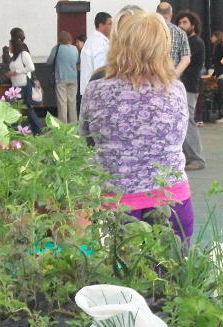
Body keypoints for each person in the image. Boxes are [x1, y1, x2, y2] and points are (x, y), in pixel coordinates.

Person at [79, 11, 193, 247]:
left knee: (120, 280)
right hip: (171, 199)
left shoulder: (96, 90)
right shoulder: (176, 90)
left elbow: (86, 141)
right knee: (171, 278)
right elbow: (177, 140)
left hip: (116, 202)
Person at [175, 10, 206, 171]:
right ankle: (189, 157)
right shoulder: (188, 41)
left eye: (184, 22)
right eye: (179, 23)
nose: (181, 25)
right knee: (183, 121)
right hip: (184, 86)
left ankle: (197, 158)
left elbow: (184, 61)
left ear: (193, 25)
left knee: (188, 121)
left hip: (188, 87)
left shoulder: (195, 42)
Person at [7, 37, 42, 135]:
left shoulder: (24, 54)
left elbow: (31, 67)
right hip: (15, 86)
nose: (9, 47)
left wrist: (17, 72)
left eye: (10, 45)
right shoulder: (14, 57)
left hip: (24, 84)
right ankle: (19, 128)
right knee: (17, 107)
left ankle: (37, 129)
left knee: (26, 107)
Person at [46, 31, 79, 124]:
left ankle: (63, 125)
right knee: (72, 102)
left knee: (62, 103)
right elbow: (77, 61)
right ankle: (73, 124)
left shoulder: (56, 48)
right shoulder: (74, 49)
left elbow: (49, 62)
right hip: (73, 78)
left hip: (60, 78)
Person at [79, 12, 112, 96]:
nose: (112, 27)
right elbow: (100, 70)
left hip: (88, 89)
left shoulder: (92, 40)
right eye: (110, 24)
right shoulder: (99, 43)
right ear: (101, 25)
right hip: (97, 91)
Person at [156, 2, 191, 77]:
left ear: (156, 14)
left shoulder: (147, 30)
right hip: (170, 77)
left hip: (150, 77)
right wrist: (174, 75)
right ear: (171, 15)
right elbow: (186, 59)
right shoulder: (180, 32)